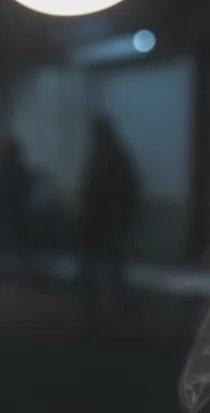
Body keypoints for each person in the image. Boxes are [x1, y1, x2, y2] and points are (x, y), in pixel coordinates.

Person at [77, 116, 140, 324]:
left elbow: (119, 193)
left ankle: (109, 314)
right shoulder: (107, 158)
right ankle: (101, 314)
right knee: (103, 271)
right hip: (101, 225)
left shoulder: (108, 159)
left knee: (107, 271)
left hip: (105, 224)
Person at [0, 138, 32, 281]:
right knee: (0, 258)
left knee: (11, 258)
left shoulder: (15, 174)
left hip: (10, 222)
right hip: (1, 222)